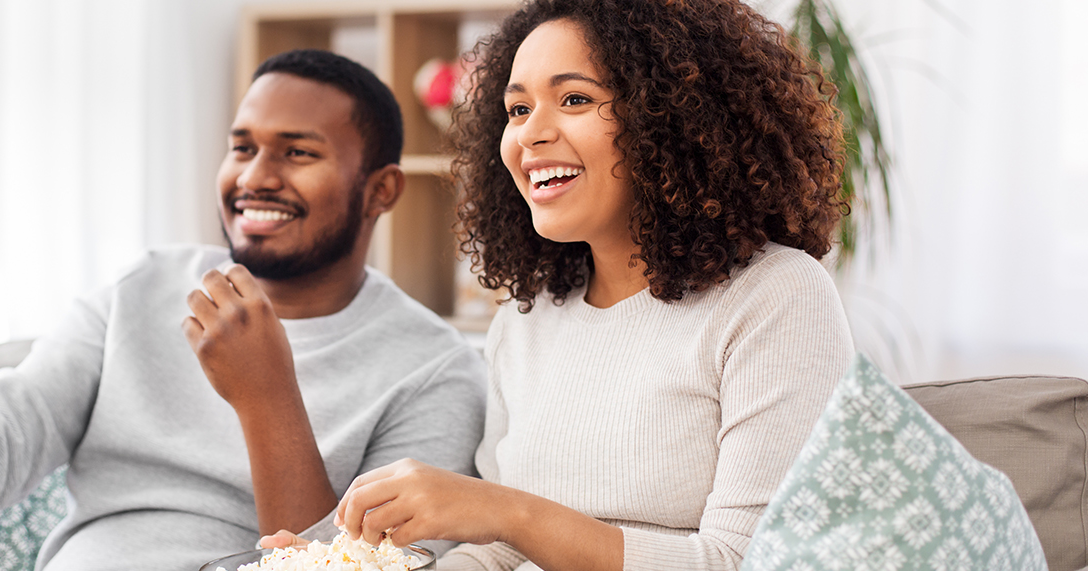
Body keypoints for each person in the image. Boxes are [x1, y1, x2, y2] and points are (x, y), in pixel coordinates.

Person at [0, 49, 486, 571]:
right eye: (242, 147)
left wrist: (267, 398)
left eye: (297, 153)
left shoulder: (435, 369)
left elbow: (358, 565)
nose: (255, 176)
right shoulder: (143, 286)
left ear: (382, 190)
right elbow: (6, 442)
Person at [266, 1, 856, 570]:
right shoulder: (524, 322)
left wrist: (508, 513)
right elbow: (497, 554)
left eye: (575, 99)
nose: (529, 135)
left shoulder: (774, 296)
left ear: (674, 117)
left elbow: (748, 562)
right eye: (517, 110)